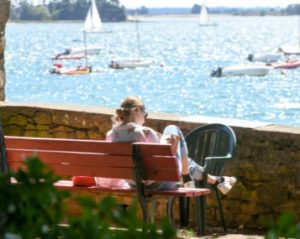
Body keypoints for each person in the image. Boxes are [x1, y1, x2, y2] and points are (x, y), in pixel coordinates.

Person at [103, 96, 237, 195]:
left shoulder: (111, 134)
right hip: (160, 183)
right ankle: (189, 176)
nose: (145, 117)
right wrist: (168, 143)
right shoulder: (145, 132)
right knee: (173, 129)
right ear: (137, 110)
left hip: (132, 184)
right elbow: (162, 160)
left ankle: (217, 180)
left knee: (189, 163)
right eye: (145, 114)